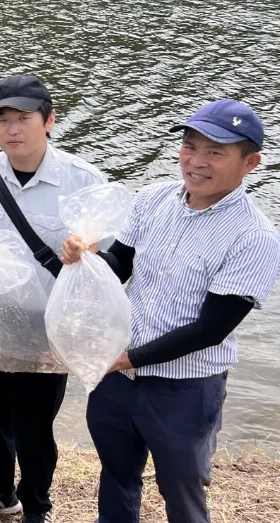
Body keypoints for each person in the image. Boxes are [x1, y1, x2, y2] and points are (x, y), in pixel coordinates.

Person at [63, 99, 280, 523]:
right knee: (117, 474)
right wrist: (86, 257)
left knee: (181, 487)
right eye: (190, 147)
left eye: (215, 152)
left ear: (250, 163)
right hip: (118, 377)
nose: (196, 162)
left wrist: (123, 359)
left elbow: (209, 329)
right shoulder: (153, 198)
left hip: (185, 387)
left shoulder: (255, 237)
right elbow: (120, 265)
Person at [0, 75, 106, 523]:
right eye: (2, 120)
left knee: (36, 424)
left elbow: (110, 260)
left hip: (49, 322)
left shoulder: (82, 180)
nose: (12, 129)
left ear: (49, 120)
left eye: (24, 118)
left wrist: (85, 252)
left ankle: (36, 504)